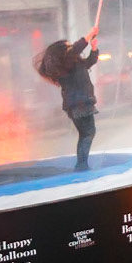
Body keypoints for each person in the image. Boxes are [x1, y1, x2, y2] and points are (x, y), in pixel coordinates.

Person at [35, 26, 100, 171]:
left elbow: (89, 62)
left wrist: (94, 49)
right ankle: (81, 165)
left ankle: (81, 164)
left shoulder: (73, 64)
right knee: (88, 133)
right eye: (69, 47)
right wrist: (89, 35)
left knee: (86, 133)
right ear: (63, 53)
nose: (72, 48)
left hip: (77, 103)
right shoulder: (67, 63)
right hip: (79, 103)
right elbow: (76, 49)